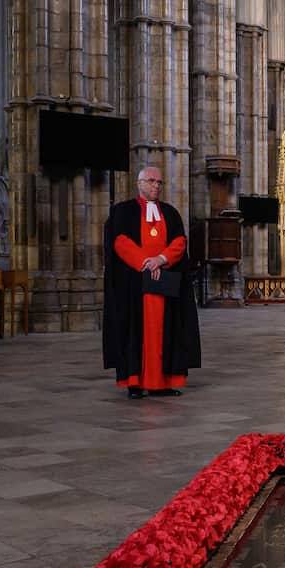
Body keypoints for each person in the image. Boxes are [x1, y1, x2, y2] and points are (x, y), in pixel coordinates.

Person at [103, 166, 201, 399]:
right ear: (139, 184)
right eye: (151, 181)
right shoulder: (123, 211)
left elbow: (179, 242)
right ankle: (135, 383)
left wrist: (161, 259)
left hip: (165, 285)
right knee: (135, 333)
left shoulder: (170, 212)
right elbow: (120, 242)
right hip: (135, 286)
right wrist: (146, 264)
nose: (156, 185)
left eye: (159, 182)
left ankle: (163, 383)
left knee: (167, 333)